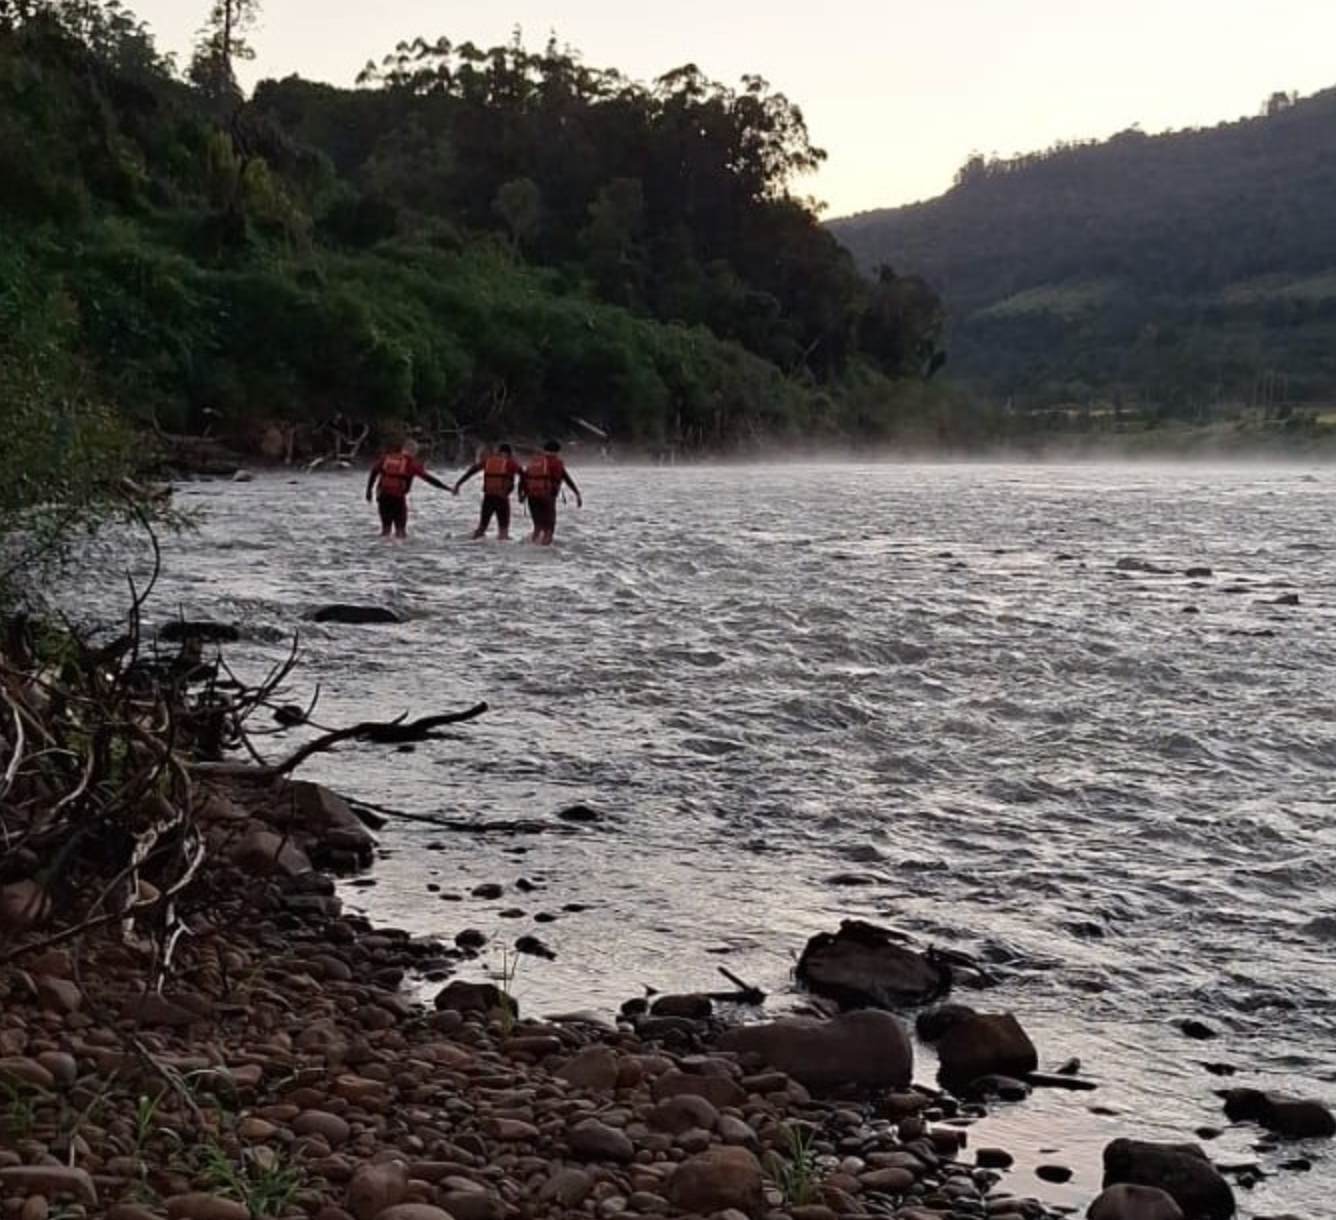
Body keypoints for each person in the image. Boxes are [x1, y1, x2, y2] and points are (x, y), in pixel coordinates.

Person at [364, 439, 452, 538]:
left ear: (403, 449)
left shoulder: (387, 458)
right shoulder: (411, 463)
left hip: (383, 497)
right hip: (397, 498)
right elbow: (429, 479)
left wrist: (369, 491)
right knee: (401, 532)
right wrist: (448, 488)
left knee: (385, 530)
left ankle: (382, 546)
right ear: (414, 452)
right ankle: (399, 548)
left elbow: (374, 472)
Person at [452, 443, 524, 540]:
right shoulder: (511, 463)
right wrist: (521, 494)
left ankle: (467, 544)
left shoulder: (488, 461)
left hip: (488, 498)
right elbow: (523, 476)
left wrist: (458, 484)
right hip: (502, 499)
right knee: (503, 533)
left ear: (499, 452)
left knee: (482, 528)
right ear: (509, 453)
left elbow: (472, 471)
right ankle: (501, 549)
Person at [521, 439, 582, 546]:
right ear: (557, 451)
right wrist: (577, 494)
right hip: (547, 498)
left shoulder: (534, 462)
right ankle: (544, 550)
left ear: (544, 450)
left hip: (532, 497)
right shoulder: (556, 462)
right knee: (549, 529)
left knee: (537, 527)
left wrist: (522, 495)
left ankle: (532, 546)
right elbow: (566, 479)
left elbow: (524, 479)